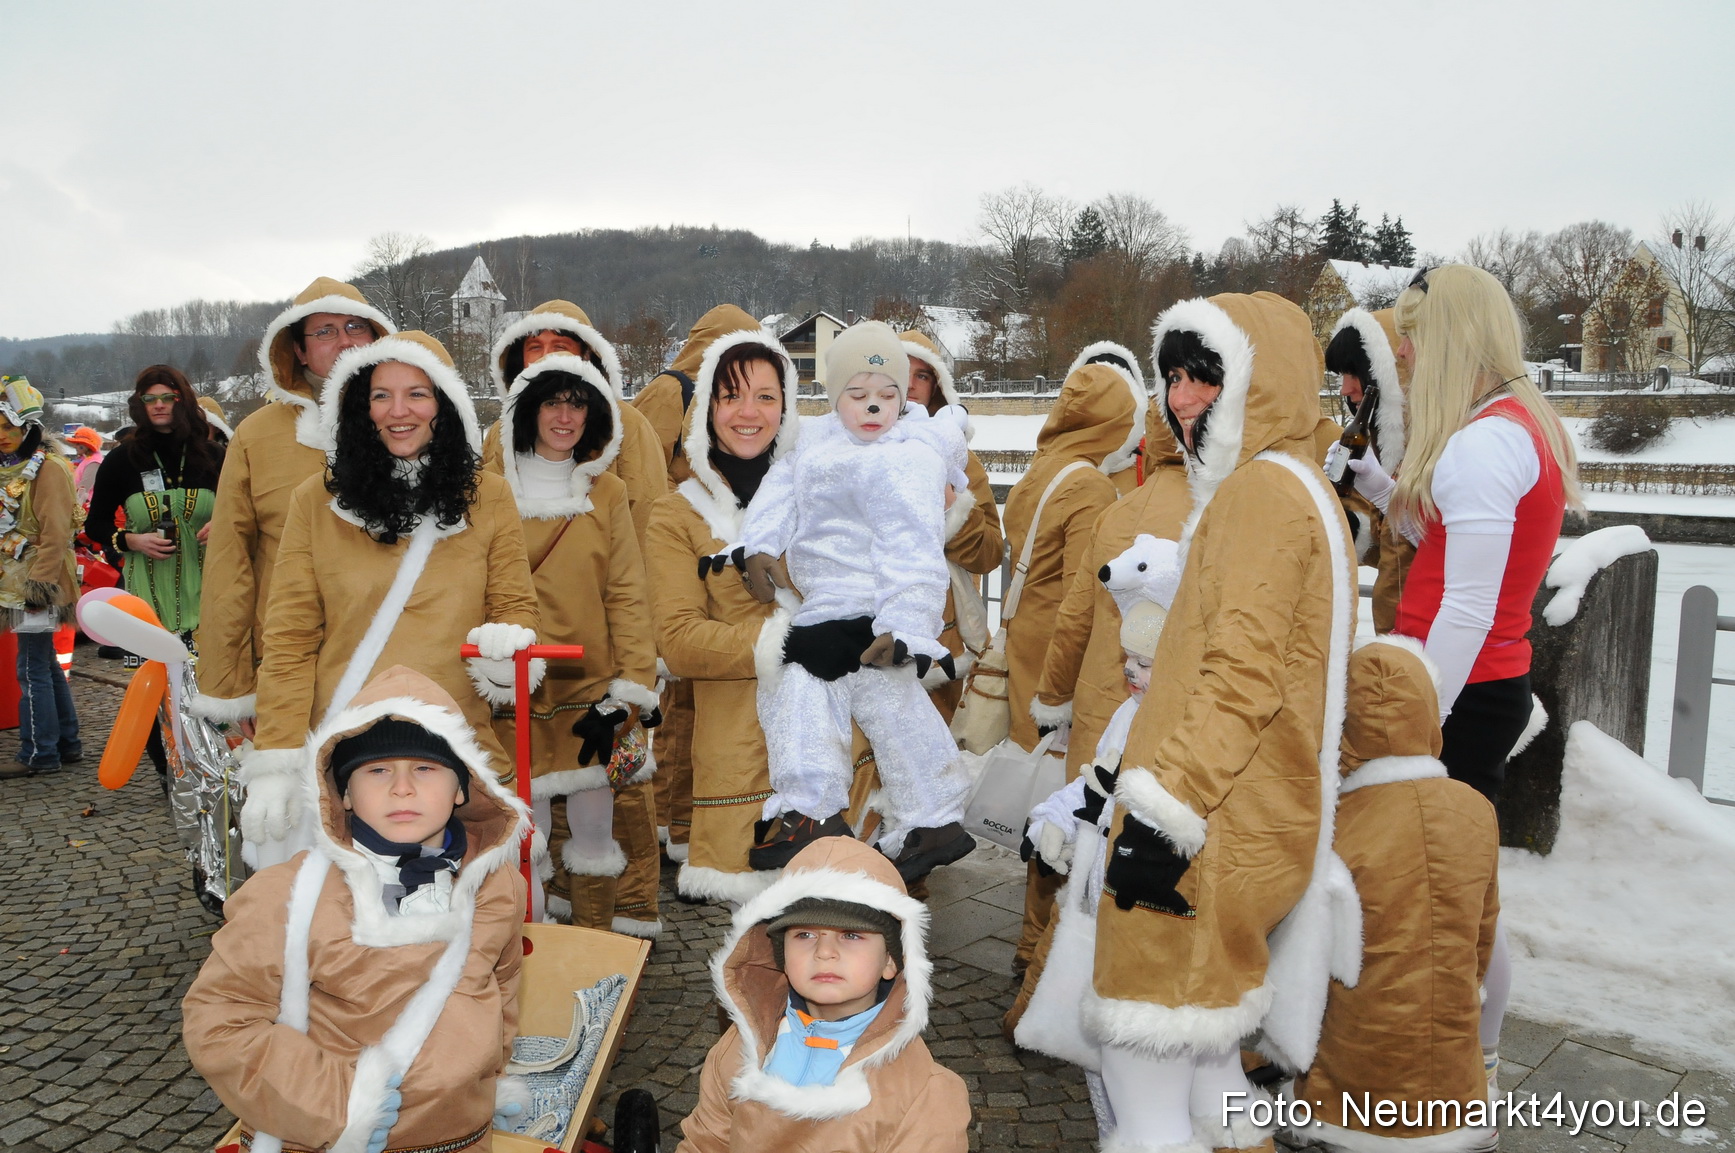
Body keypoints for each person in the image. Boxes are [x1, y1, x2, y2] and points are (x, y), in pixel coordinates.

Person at [1084, 293, 1355, 1153]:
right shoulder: (1305, 487)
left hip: (1203, 831)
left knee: (1148, 1080)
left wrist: (1165, 815)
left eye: (1206, 375)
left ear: (1256, 382)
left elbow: (1244, 677)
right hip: (1255, 822)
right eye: (1171, 376)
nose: (1182, 397)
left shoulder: (1254, 496)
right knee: (1215, 1076)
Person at [1348, 264, 1579, 1081]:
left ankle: (1452, 1067)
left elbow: (1468, 604)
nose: (1402, 353)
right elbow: (1441, 531)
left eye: (1412, 334)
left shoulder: (1484, 443)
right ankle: (1470, 1054)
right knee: (1465, 890)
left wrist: (1414, 718)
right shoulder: (1516, 426)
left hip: (1457, 690)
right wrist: (1375, 482)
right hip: (1478, 683)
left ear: (1447, 338)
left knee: (1447, 900)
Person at [182, 664, 531, 1153]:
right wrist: (338, 1104)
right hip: (328, 1138)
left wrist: (489, 1075)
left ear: (462, 787)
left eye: (425, 768)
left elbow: (502, 982)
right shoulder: (286, 895)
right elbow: (220, 1019)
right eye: (377, 770)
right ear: (343, 793)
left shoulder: (498, 888)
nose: (402, 788)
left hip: (464, 1137)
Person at [240, 332, 539, 863]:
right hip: (349, 748)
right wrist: (279, 760)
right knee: (345, 925)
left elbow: (515, 607)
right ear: (360, 406)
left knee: (467, 921)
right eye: (381, 395)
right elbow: (289, 638)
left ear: (445, 405)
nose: (398, 411)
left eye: (418, 393)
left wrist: (502, 657)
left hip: (453, 747)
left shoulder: (489, 496)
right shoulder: (314, 501)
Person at [730, 321, 976, 884]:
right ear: (834, 397)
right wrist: (760, 546)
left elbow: (913, 547)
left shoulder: (906, 458)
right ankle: (927, 814)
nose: (874, 408)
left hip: (872, 608)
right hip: (825, 602)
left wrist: (906, 628)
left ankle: (815, 808)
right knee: (874, 702)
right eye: (858, 396)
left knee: (804, 683)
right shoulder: (816, 443)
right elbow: (781, 487)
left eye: (889, 396)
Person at [1007, 407, 1191, 1036]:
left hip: (1098, 703)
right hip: (1172, 718)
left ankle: (1034, 966)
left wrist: (1053, 699)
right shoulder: (1227, 513)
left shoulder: (1121, 510)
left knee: (1073, 836)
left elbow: (1075, 617)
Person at [488, 299, 668, 933]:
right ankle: (526, 961)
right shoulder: (487, 487)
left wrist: (630, 692)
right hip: (511, 693)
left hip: (590, 692)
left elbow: (627, 591)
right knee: (520, 828)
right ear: (527, 407)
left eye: (577, 402)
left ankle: (591, 951)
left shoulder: (608, 491)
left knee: (595, 830)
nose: (564, 416)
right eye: (551, 401)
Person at [1293, 637, 1500, 1153]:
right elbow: (1483, 935)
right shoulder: (1476, 810)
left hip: (1355, 1080)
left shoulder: (1332, 825)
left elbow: (1304, 957)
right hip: (1453, 1079)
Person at [1014, 536, 1181, 1139]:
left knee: (1143, 1066)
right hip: (1096, 910)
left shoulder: (1187, 730)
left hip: (1147, 917)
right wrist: (1053, 821)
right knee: (1099, 1061)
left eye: (1147, 665)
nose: (1133, 674)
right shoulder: (1128, 714)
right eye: (1128, 663)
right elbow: (1096, 787)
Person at [675, 836, 970, 1153]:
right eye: (804, 934)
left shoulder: (923, 1095)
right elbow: (705, 1142)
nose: (825, 951)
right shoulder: (739, 1049)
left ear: (890, 960)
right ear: (780, 955)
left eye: (852, 935)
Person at [642, 327, 799, 904]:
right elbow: (679, 640)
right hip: (737, 753)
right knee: (753, 938)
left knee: (842, 928)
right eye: (730, 396)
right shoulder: (676, 514)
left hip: (837, 745)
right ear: (706, 407)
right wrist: (786, 641)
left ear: (787, 406)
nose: (748, 412)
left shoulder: (818, 492)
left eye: (766, 395)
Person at [193, 276, 391, 727]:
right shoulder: (256, 437)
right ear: (298, 350)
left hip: (400, 654)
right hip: (292, 663)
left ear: (377, 336)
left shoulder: (414, 420)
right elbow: (230, 563)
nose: (344, 341)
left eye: (356, 327)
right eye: (325, 331)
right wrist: (234, 688)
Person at [1000, 358, 1137, 973]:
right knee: (1065, 796)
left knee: (1046, 787)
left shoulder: (1043, 470)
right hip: (1061, 649)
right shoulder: (1090, 486)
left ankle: (1032, 942)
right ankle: (1039, 949)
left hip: (1027, 638)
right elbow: (1091, 589)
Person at [634, 304, 761, 867]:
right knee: (679, 714)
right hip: (680, 553)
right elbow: (641, 465)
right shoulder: (671, 389)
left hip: (709, 543)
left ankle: (682, 823)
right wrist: (694, 507)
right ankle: (669, 822)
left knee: (696, 713)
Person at [488, 300, 668, 542]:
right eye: (535, 348)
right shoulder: (502, 430)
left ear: (586, 355)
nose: (546, 358)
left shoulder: (629, 426)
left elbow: (646, 517)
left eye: (560, 346)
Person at [86, 365, 223, 635]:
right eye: (150, 399)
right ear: (140, 405)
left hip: (211, 587)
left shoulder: (214, 456)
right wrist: (131, 540)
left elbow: (245, 511)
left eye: (167, 398)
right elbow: (95, 524)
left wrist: (222, 524)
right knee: (159, 673)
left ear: (181, 401)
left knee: (212, 673)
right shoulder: (122, 459)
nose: (159, 405)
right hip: (148, 592)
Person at [0, 379, 82, 778]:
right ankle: (66, 743)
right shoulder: (10, 469)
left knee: (30, 669)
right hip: (18, 582)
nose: (1, 436)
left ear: (25, 427)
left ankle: (39, 753)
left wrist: (39, 588)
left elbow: (55, 533)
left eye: (7, 427)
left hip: (37, 585)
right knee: (45, 664)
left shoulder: (47, 468)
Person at [1325, 307, 1413, 632]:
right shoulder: (1372, 439)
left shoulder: (1440, 447)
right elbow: (1388, 551)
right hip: (1395, 637)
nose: (1345, 389)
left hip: (1440, 643)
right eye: (1341, 376)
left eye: (1354, 373)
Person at [66, 426, 104, 508]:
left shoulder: (94, 462)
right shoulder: (86, 459)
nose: (75, 446)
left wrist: (75, 508)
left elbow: (84, 487)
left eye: (78, 444)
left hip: (86, 505)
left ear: (87, 446)